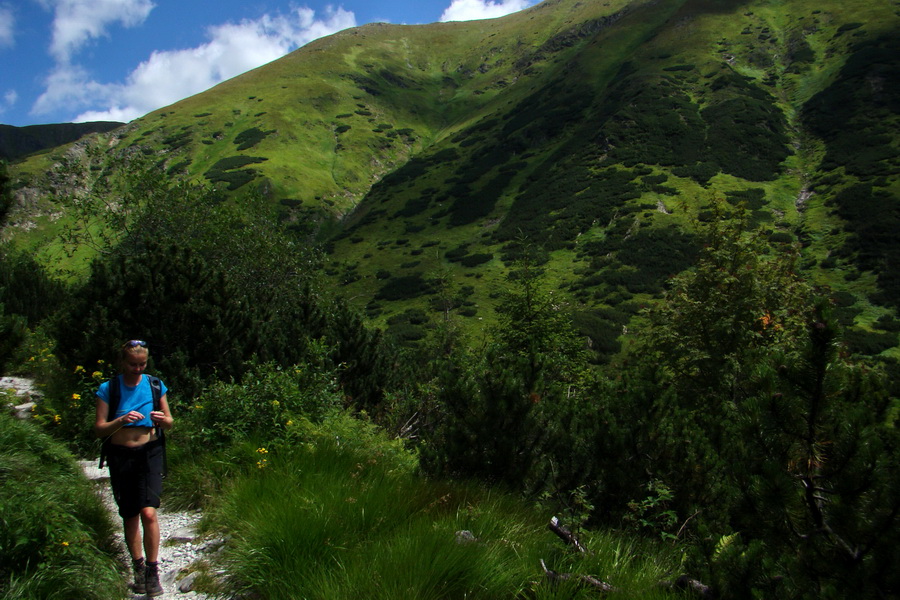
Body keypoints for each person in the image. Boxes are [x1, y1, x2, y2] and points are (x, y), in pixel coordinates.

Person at [94, 340, 173, 597]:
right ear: (123, 362)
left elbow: (170, 421)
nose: (138, 369)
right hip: (121, 455)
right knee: (129, 513)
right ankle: (137, 566)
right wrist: (121, 419)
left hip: (150, 452)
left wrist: (163, 420)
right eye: (133, 364)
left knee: (149, 512)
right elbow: (99, 428)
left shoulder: (155, 385)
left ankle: (152, 569)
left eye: (142, 364)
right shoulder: (109, 389)